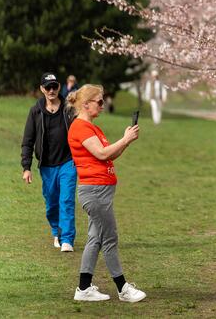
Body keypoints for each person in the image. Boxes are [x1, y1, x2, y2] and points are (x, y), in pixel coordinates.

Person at [66, 84, 146, 302]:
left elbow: (109, 156)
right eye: (99, 102)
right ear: (86, 104)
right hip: (95, 192)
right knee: (109, 238)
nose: (102, 106)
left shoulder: (94, 128)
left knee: (95, 239)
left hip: (101, 191)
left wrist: (126, 141)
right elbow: (101, 154)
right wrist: (125, 139)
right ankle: (123, 289)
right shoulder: (80, 127)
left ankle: (83, 288)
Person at [20, 72, 77, 252]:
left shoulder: (69, 109)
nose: (51, 90)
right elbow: (27, 140)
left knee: (66, 200)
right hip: (46, 165)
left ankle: (67, 239)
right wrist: (26, 167)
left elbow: (80, 132)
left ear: (59, 87)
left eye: (54, 86)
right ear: (42, 89)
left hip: (68, 162)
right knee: (52, 203)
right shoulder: (35, 111)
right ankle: (56, 230)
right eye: (48, 87)